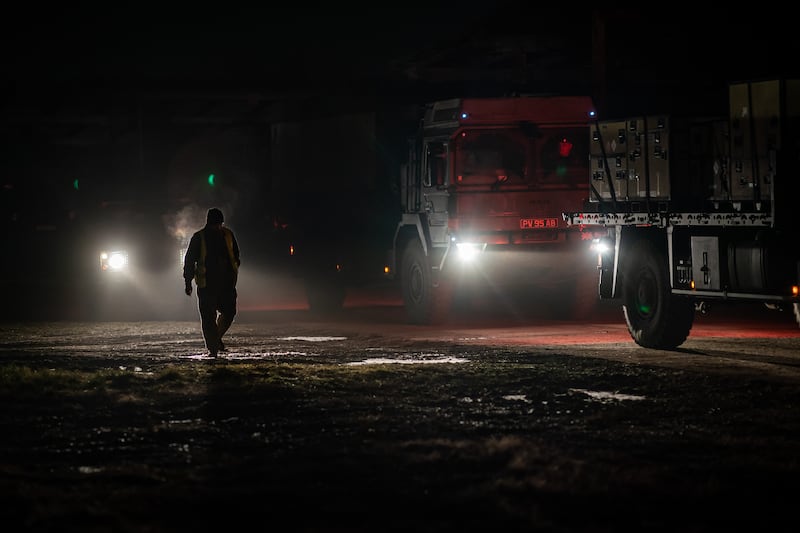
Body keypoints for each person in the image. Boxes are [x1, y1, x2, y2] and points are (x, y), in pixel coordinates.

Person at [183, 207, 241, 358]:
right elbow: (189, 261)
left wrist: (234, 266)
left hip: (226, 284)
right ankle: (213, 349)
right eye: (216, 224)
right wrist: (188, 281)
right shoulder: (199, 237)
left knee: (229, 312)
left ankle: (215, 340)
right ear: (209, 223)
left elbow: (235, 253)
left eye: (219, 224)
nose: (218, 227)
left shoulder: (228, 234)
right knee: (208, 318)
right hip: (207, 284)